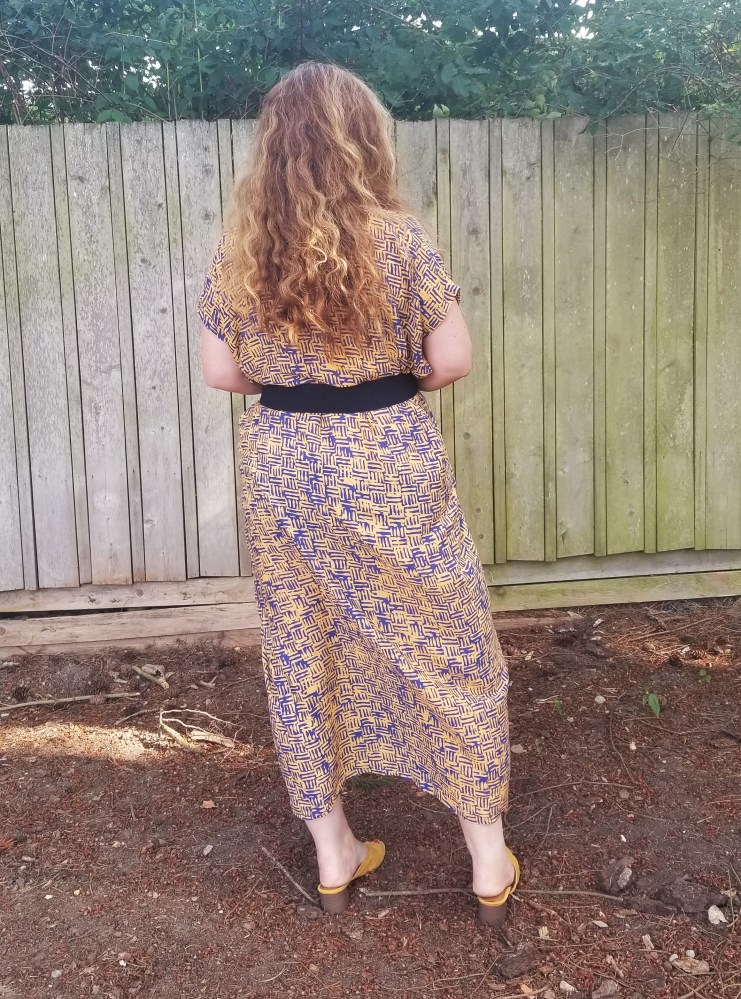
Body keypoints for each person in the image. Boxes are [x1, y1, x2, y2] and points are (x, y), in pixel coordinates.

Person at [199, 61, 518, 924]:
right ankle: (487, 859)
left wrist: (294, 378)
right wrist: (388, 375)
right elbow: (451, 359)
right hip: (386, 453)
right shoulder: (399, 239)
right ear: (362, 137)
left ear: (272, 146)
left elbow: (221, 372)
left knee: (301, 640)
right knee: (443, 637)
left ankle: (333, 852)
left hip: (284, 461)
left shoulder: (241, 250)